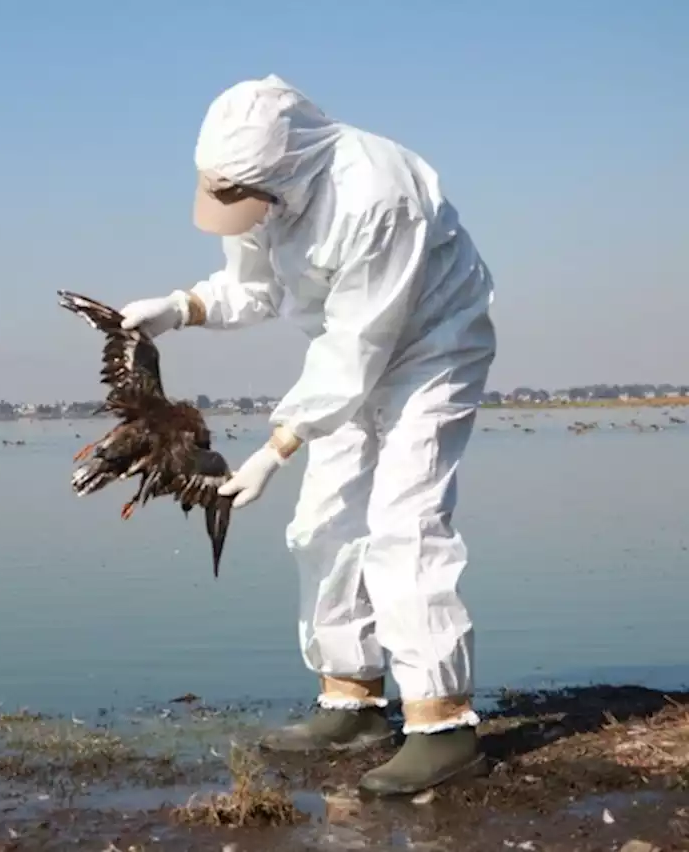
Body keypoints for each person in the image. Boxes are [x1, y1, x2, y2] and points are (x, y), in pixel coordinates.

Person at [119, 75, 496, 796]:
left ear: (283, 166)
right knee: (322, 521)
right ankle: (350, 701)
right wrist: (181, 306)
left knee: (403, 522)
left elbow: (361, 344)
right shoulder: (271, 188)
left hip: (431, 347)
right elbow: (256, 287)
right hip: (346, 353)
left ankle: (443, 725)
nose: (232, 207)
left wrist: (276, 447)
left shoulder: (377, 195)